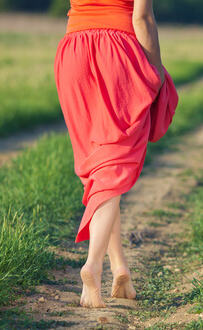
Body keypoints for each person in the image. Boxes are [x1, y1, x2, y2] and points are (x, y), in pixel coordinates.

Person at [54, 0, 178, 308]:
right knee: (114, 168)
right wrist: (157, 69)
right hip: (117, 53)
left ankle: (120, 269)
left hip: (73, 50)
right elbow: (142, 17)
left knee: (101, 171)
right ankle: (93, 264)